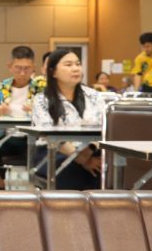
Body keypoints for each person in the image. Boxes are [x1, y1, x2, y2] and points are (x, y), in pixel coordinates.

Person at [31, 49, 104, 190]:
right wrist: (82, 160)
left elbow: (104, 128)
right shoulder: (42, 100)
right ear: (53, 72)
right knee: (72, 170)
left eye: (78, 64)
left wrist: (88, 152)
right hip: (53, 151)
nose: (75, 68)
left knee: (106, 167)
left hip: (91, 149)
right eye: (68, 65)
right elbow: (51, 137)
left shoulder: (94, 96)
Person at [0, 46, 46, 185]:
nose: (22, 73)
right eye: (18, 68)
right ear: (10, 66)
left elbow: (53, 115)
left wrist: (36, 111)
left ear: (33, 67)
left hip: (35, 139)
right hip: (7, 137)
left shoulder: (42, 87)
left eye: (27, 68)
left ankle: (40, 191)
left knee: (46, 156)